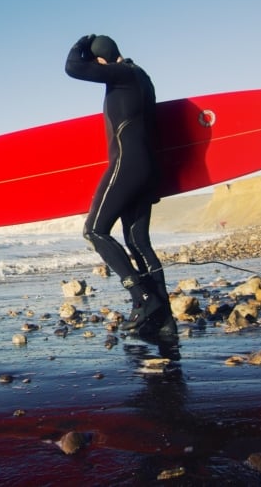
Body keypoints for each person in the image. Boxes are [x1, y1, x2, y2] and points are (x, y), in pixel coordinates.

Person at [64, 34, 177, 338]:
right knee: (138, 242)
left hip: (128, 165)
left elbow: (73, 68)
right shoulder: (141, 76)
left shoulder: (122, 73)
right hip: (148, 169)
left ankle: (143, 299)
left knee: (95, 231)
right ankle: (164, 321)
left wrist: (80, 45)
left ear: (102, 60)